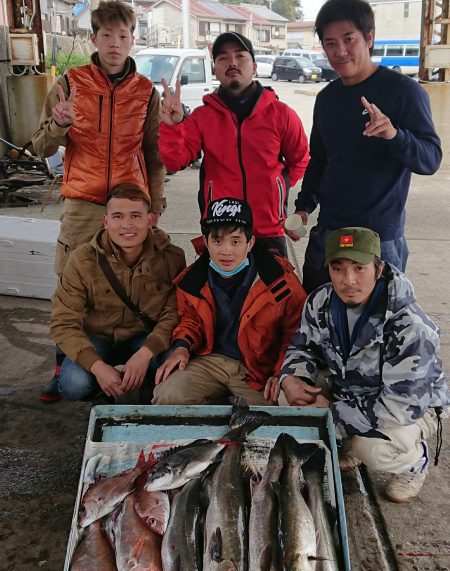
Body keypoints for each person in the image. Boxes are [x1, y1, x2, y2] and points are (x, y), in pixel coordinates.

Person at [32, 0, 167, 401]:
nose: (114, 43)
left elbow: (153, 154)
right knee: (69, 285)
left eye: (122, 36)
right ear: (92, 38)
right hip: (83, 205)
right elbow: (39, 146)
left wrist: (154, 204)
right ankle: (64, 367)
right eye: (106, 35)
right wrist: (59, 124)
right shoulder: (70, 84)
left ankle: (126, 354)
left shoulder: (146, 92)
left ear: (132, 40)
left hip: (129, 203)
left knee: (131, 280)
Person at [269, 227, 449, 503]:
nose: (348, 280)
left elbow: (400, 406)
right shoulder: (320, 301)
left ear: (378, 269)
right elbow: (302, 347)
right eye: (338, 268)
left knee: (374, 449)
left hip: (410, 408)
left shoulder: (409, 326)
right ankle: (350, 443)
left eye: (359, 268)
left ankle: (414, 463)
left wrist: (332, 413)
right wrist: (292, 377)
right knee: (286, 396)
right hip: (352, 390)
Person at [293, 0, 442, 293]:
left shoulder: (403, 91)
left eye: (349, 40)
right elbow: (321, 161)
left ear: (369, 37)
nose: (340, 51)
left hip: (380, 238)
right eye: (330, 43)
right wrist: (303, 207)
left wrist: (394, 136)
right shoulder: (326, 99)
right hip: (329, 231)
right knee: (316, 318)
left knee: (378, 327)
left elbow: (431, 158)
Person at [158, 32, 310, 259]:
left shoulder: (282, 114)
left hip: (268, 230)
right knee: (220, 295)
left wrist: (279, 189)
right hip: (221, 231)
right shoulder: (202, 117)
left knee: (276, 294)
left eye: (240, 56)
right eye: (223, 58)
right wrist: (172, 126)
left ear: (255, 66)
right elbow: (174, 161)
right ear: (215, 69)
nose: (232, 63)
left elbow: (300, 159)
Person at [152, 197, 307, 406]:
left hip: (258, 369)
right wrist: (182, 346)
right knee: (167, 395)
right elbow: (190, 320)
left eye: (235, 241)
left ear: (250, 243)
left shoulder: (281, 280)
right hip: (210, 361)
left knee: (282, 410)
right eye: (217, 241)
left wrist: (283, 372)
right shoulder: (191, 280)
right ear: (206, 242)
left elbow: (295, 332)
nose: (226, 251)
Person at [50, 183, 185, 403]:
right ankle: (107, 389)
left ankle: (144, 383)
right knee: (73, 384)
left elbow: (174, 313)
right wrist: (97, 367)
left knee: (175, 366)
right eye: (118, 216)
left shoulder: (171, 258)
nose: (127, 225)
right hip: (98, 338)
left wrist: (146, 353)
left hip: (143, 337)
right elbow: (62, 321)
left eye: (135, 216)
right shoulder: (81, 260)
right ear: (106, 221)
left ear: (150, 220)